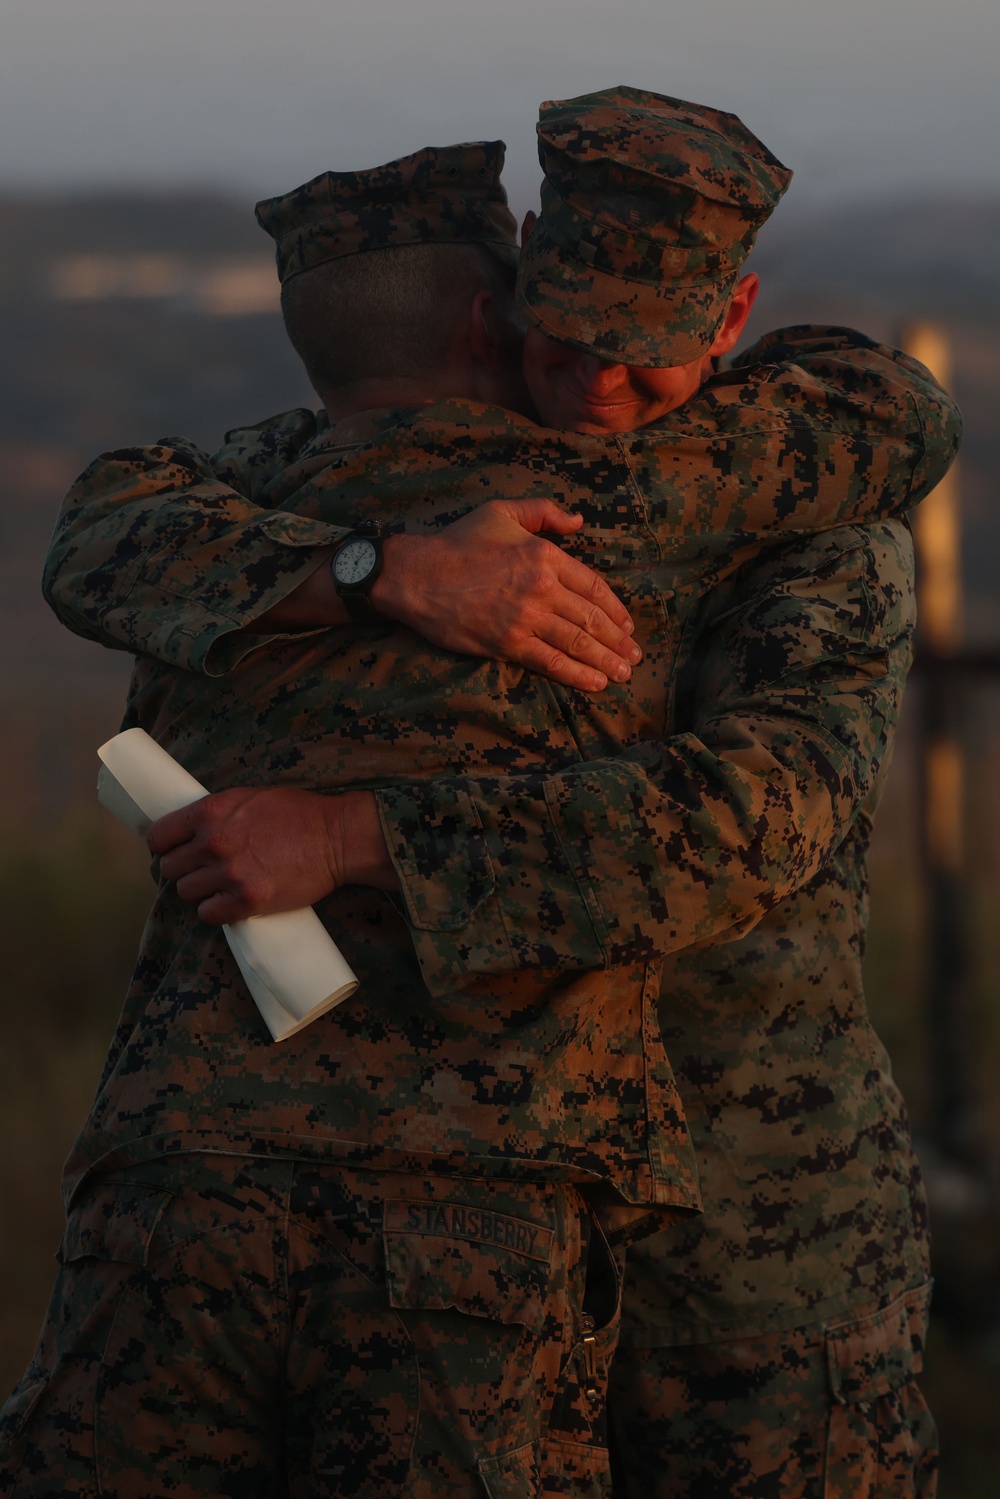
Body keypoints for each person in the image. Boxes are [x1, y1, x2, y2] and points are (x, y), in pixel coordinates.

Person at [15, 89, 959, 1499]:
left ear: (732, 313)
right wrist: (384, 569)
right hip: (498, 1204)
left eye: (646, 362)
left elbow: (756, 816)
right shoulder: (372, 493)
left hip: (752, 1210)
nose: (595, 394)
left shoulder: (790, 495)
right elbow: (111, 525)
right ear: (508, 290)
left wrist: (346, 836)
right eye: (563, 339)